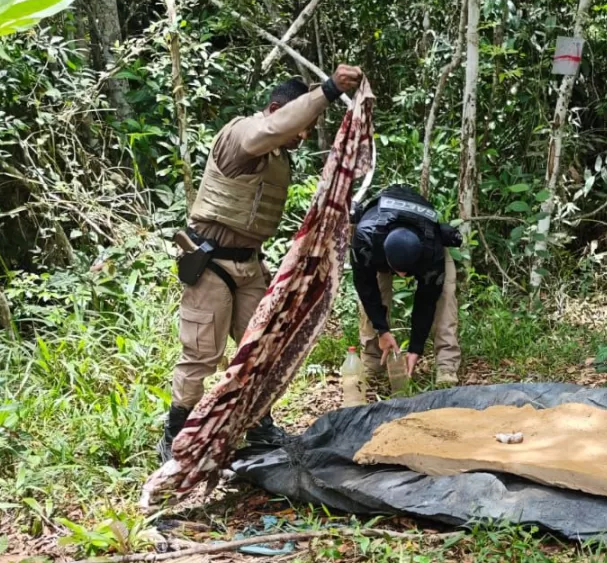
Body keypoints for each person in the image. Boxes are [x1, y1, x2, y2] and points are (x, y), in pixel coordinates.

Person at [160, 65, 363, 461]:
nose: (302, 136)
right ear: (274, 109)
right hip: (211, 263)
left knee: (260, 350)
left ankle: (257, 426)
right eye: (299, 127)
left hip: (249, 265)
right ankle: (176, 433)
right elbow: (269, 130)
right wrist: (328, 90)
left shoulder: (278, 154)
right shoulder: (244, 133)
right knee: (201, 355)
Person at [350, 184, 463, 388]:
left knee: (445, 296)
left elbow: (426, 300)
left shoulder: (432, 249)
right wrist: (382, 330)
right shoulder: (365, 238)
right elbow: (365, 287)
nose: (402, 276)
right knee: (374, 296)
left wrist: (415, 349)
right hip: (379, 238)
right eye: (397, 270)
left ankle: (447, 367)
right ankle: (373, 363)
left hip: (424, 240)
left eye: (407, 271)